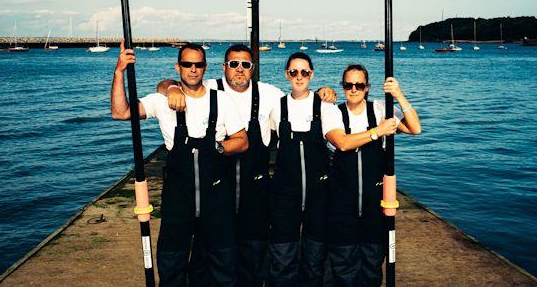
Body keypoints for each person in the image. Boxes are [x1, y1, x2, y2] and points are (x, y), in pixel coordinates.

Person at [160, 44, 337, 286]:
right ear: (224, 67)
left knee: (253, 249)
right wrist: (170, 87)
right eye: (234, 64)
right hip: (218, 186)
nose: (240, 70)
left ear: (253, 68)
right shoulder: (210, 88)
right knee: (211, 250)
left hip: (255, 184)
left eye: (246, 64)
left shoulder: (269, 94)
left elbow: (299, 98)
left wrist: (324, 92)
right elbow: (176, 83)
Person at [110, 41, 248, 286]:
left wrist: (217, 147)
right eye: (187, 64)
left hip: (216, 203)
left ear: (205, 68)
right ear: (178, 67)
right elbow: (120, 113)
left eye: (198, 64)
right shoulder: (162, 100)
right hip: (178, 203)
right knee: (172, 266)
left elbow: (242, 141)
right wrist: (119, 71)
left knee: (222, 268)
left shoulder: (222, 101)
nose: (192, 69)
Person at [323, 64, 421, 286]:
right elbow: (343, 142)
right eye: (349, 85)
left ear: (367, 87)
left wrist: (399, 95)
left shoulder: (380, 108)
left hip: (374, 207)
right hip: (342, 208)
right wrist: (378, 131)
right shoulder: (333, 112)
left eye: (359, 85)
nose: (354, 89)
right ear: (343, 87)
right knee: (343, 266)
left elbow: (415, 128)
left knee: (372, 266)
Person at [267, 52, 340, 286]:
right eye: (294, 72)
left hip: (318, 194)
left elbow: (340, 141)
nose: (299, 77)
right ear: (286, 74)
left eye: (304, 72)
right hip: (284, 195)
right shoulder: (276, 107)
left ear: (312, 75)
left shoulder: (326, 108)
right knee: (282, 254)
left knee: (315, 256)